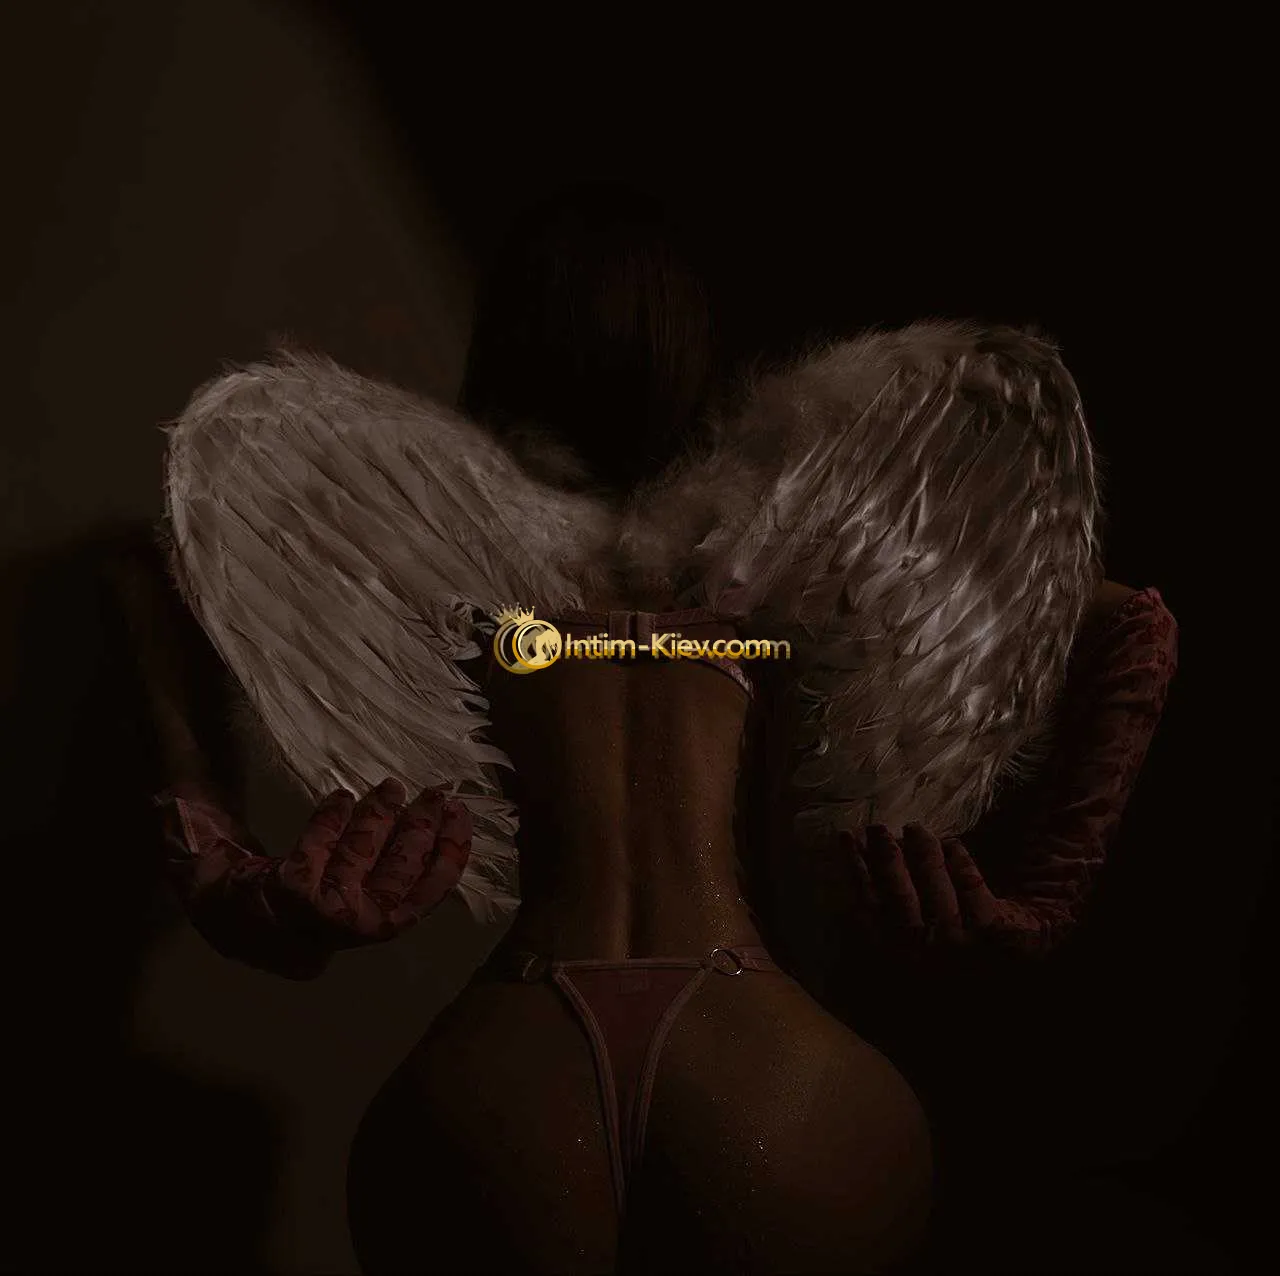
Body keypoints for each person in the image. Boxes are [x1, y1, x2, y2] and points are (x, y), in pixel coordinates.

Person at [113, 181, 1175, 1274]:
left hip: (516, 1048)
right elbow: (1131, 626)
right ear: (691, 355)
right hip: (759, 1042)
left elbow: (150, 575)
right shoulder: (759, 556)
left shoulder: (461, 549)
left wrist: (231, 877)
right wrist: (1039, 904)